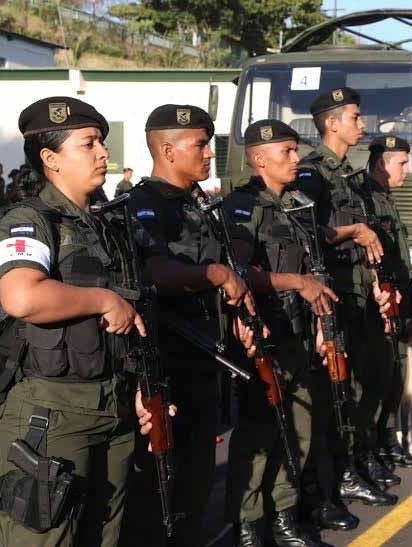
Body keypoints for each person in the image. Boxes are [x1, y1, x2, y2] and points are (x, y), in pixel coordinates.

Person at [0, 96, 165, 545]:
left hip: (112, 408)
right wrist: (102, 299)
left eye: (100, 141)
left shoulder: (105, 226)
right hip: (49, 416)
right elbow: (22, 296)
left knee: (105, 536)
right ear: (50, 159)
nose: (103, 152)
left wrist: (142, 389)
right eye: (89, 144)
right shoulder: (29, 221)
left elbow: (135, 319)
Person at [127, 104, 250, 546]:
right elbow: (155, 271)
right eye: (200, 144)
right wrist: (214, 276)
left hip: (206, 363)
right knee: (161, 487)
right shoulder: (144, 205)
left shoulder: (201, 206)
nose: (209, 154)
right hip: (169, 366)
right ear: (166, 149)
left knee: (197, 481)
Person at [223, 119, 339, 547]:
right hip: (265, 336)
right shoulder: (243, 205)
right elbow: (238, 271)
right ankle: (249, 524)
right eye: (286, 152)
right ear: (258, 159)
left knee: (298, 432)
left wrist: (324, 327)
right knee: (259, 434)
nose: (295, 158)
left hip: (299, 335)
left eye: (295, 150)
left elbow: (316, 270)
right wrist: (296, 285)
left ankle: (284, 517)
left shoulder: (298, 203)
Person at [295, 86, 395, 532]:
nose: (362, 124)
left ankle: (348, 472)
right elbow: (308, 232)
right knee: (332, 398)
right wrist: (354, 230)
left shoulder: (346, 175)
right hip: (331, 298)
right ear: (331, 123)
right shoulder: (313, 174)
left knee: (354, 391)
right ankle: (323, 490)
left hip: (356, 295)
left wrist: (375, 283)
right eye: (354, 117)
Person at [365, 135, 412, 470]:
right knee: (379, 377)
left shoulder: (385, 198)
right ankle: (376, 447)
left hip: (397, 297)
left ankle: (390, 442)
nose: (407, 169)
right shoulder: (368, 199)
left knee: (392, 374)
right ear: (380, 164)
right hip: (381, 299)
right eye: (401, 162)